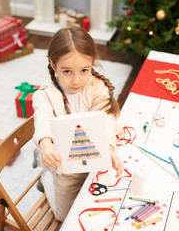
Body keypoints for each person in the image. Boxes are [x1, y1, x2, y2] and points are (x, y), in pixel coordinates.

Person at [32, 26, 124, 222]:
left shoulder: (97, 87)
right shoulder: (44, 95)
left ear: (92, 63)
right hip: (65, 167)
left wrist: (108, 149)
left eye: (84, 70)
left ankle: (41, 158)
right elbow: (42, 121)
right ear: (53, 64)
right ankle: (45, 174)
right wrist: (46, 145)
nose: (76, 80)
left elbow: (106, 119)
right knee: (64, 216)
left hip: (92, 159)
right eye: (67, 71)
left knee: (102, 204)